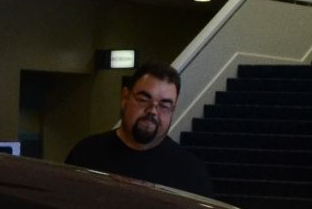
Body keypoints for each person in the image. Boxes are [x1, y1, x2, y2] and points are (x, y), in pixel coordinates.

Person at [65, 62, 214, 199]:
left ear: (173, 110)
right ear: (125, 97)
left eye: (164, 105)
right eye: (144, 99)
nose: (152, 111)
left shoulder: (191, 172)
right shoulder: (86, 154)